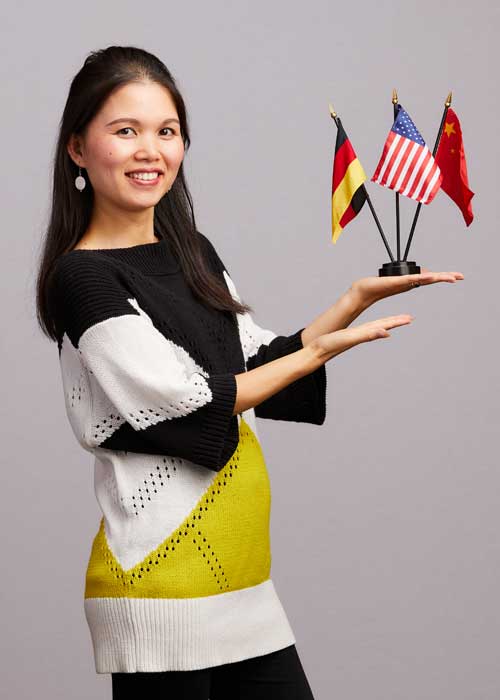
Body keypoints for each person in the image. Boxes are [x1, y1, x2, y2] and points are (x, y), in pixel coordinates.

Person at [35, 45, 464, 699]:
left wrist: (350, 303)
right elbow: (188, 401)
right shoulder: (83, 278)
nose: (151, 150)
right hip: (160, 584)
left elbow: (255, 361)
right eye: (126, 131)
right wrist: (320, 352)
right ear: (77, 148)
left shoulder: (193, 252)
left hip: (242, 581)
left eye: (166, 131)